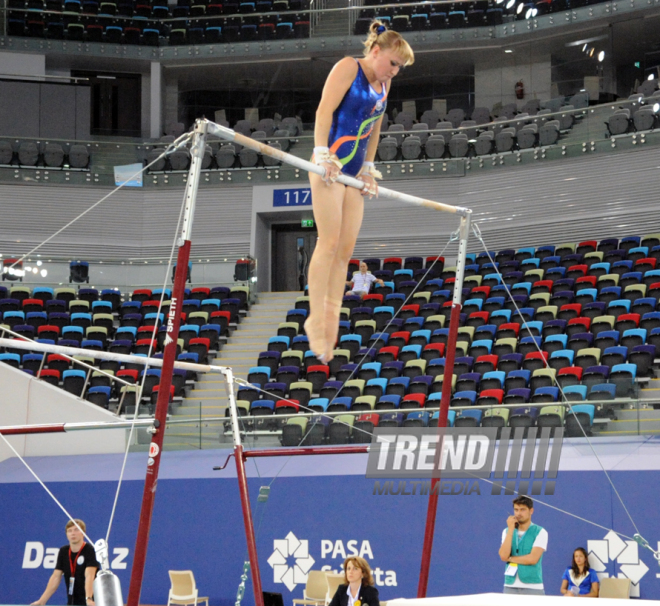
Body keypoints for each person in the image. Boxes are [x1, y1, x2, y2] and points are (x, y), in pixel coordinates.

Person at [303, 20, 414, 363]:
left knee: (345, 252)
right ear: (376, 50)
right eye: (393, 63)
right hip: (330, 165)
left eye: (400, 68)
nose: (394, 72)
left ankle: (331, 320)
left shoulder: (383, 87)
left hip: (352, 174)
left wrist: (368, 168)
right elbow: (323, 110)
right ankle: (315, 319)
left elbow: (374, 130)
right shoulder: (347, 67)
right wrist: (322, 153)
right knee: (329, 241)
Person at [32, 519, 100, 606]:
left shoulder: (89, 550)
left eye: (76, 530)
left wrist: (89, 599)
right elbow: (56, 577)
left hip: (91, 603)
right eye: (69, 531)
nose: (73, 533)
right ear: (66, 534)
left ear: (83, 533)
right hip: (72, 602)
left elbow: (90, 576)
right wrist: (42, 601)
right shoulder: (63, 551)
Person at [498, 496, 548, 595]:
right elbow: (503, 555)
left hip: (533, 586)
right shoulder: (507, 531)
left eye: (522, 510)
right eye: (516, 510)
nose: (518, 513)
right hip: (510, 586)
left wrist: (510, 558)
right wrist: (511, 530)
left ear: (531, 511)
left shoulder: (540, 532)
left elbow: (532, 559)